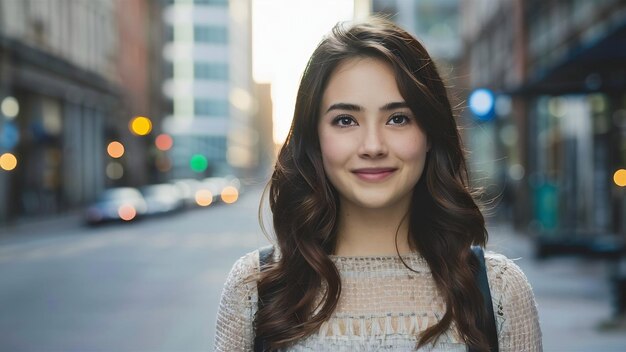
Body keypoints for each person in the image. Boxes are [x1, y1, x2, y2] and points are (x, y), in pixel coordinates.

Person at [215, 18, 542, 351]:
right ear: (315, 139)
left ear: (429, 134)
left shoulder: (498, 290)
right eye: (346, 120)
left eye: (398, 118)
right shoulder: (255, 288)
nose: (373, 145)